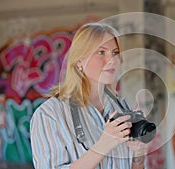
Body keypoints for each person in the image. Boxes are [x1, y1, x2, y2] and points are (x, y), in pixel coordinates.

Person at [30, 22, 147, 169]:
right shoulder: (50, 114)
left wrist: (138, 158)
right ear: (79, 61)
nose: (111, 60)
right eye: (101, 52)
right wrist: (103, 145)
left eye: (115, 53)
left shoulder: (123, 109)